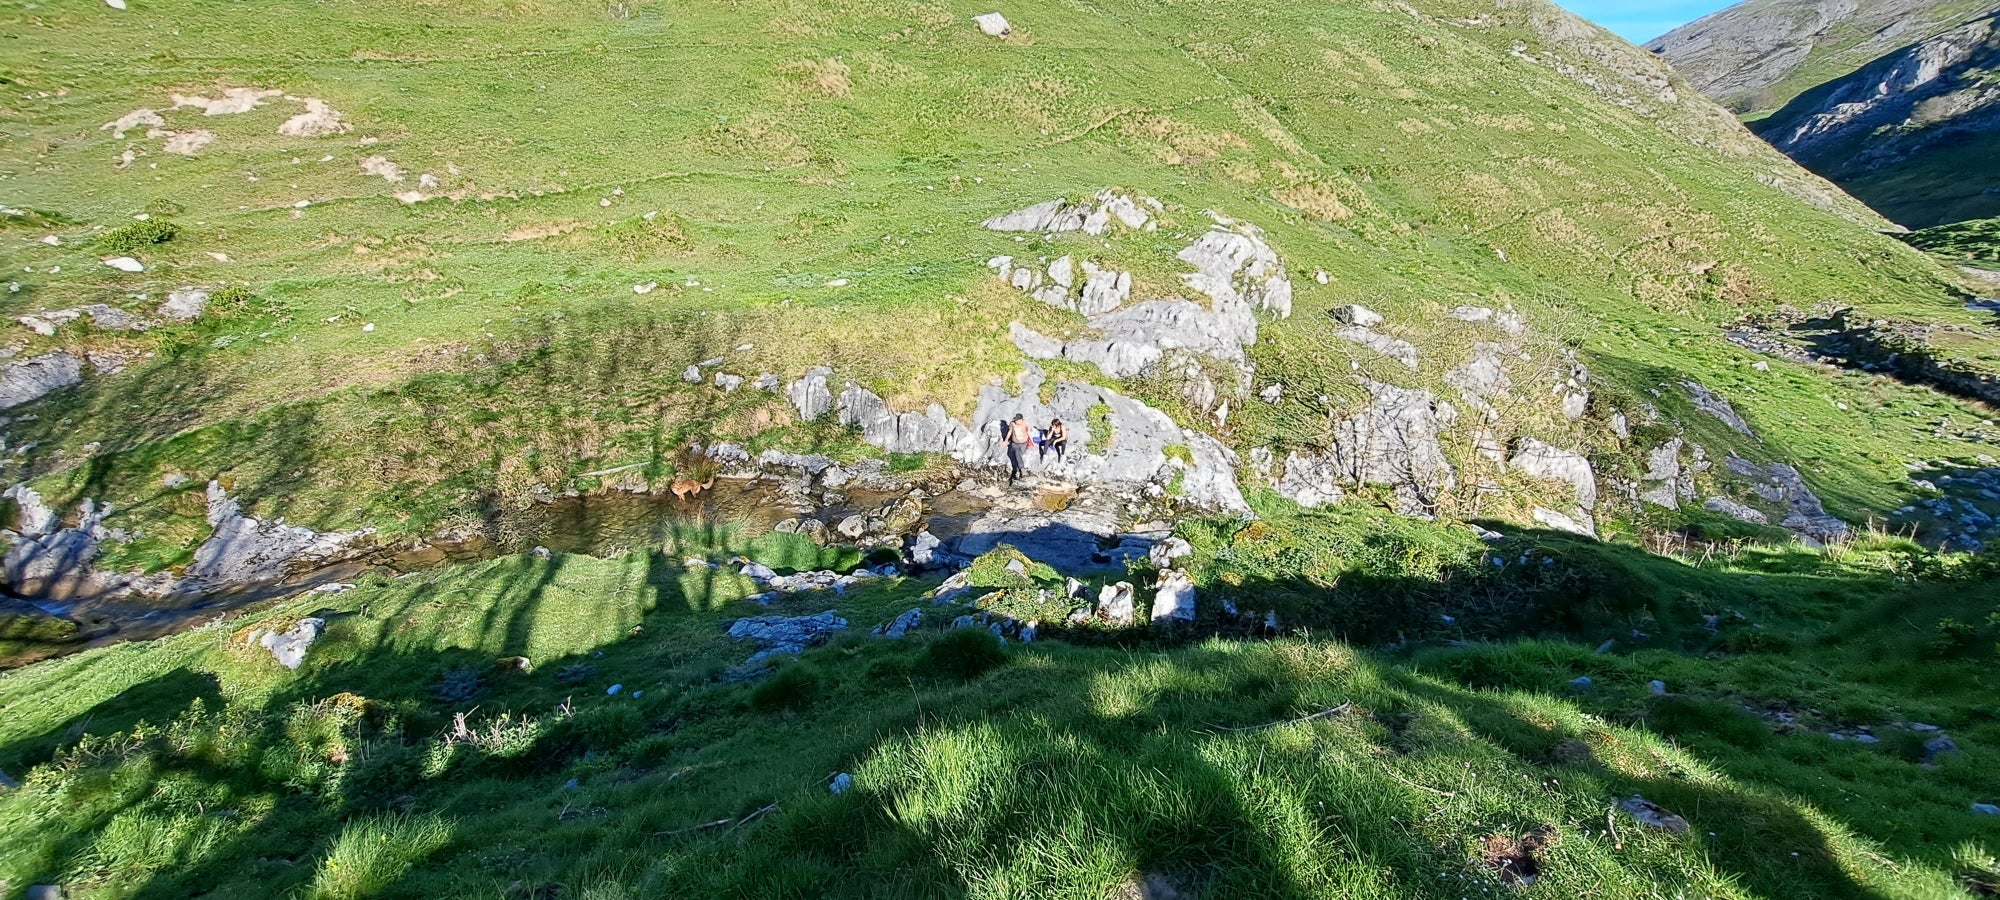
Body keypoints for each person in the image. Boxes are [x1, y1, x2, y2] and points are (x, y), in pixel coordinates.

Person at [1002, 413, 1033, 482]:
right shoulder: (1012, 424)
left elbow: (1029, 432)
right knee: (1017, 452)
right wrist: (1005, 441)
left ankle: (1015, 470)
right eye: (1015, 420)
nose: (1016, 421)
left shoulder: (1026, 424)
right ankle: (1022, 469)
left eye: (1017, 420)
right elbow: (1010, 432)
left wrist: (1033, 442)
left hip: (1023, 443)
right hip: (1014, 443)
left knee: (1018, 455)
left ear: (1021, 420)